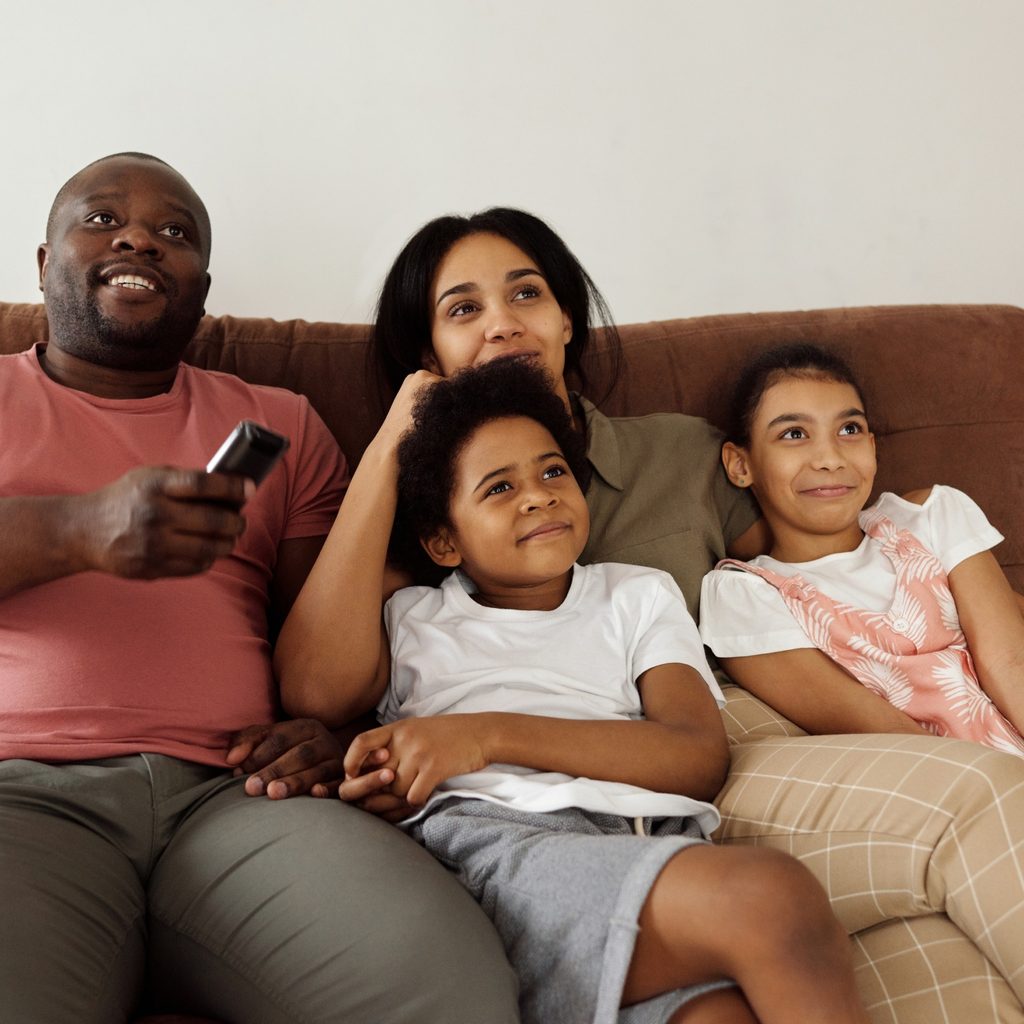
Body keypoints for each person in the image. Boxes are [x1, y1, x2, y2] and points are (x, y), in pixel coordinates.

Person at [275, 206, 1024, 1018]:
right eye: (464, 310)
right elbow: (322, 689)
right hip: (573, 810)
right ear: (429, 355)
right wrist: (395, 438)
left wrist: (940, 542)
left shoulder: (682, 455)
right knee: (948, 851)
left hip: (735, 731)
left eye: (525, 293)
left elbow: (826, 550)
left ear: (566, 316)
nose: (502, 325)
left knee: (951, 960)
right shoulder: (421, 545)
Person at [0, 153, 517, 1024]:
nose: (139, 238)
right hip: (23, 794)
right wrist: (76, 530)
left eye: (176, 234)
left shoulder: (279, 422)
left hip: (242, 797)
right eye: (100, 220)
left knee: (446, 993)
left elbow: (324, 639)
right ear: (44, 265)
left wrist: (334, 731)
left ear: (203, 292)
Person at [338, 355, 870, 1024]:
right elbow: (315, 691)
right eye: (498, 489)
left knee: (718, 1016)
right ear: (444, 540)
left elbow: (697, 758)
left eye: (553, 471)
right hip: (500, 850)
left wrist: (485, 735)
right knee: (770, 897)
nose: (538, 495)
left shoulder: (636, 594)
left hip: (646, 839)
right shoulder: (412, 615)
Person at [696, 342, 1024, 752]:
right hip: (959, 784)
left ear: (872, 446)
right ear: (741, 465)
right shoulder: (744, 596)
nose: (830, 458)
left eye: (848, 430)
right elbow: (889, 736)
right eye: (794, 434)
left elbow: (1009, 663)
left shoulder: (931, 516)